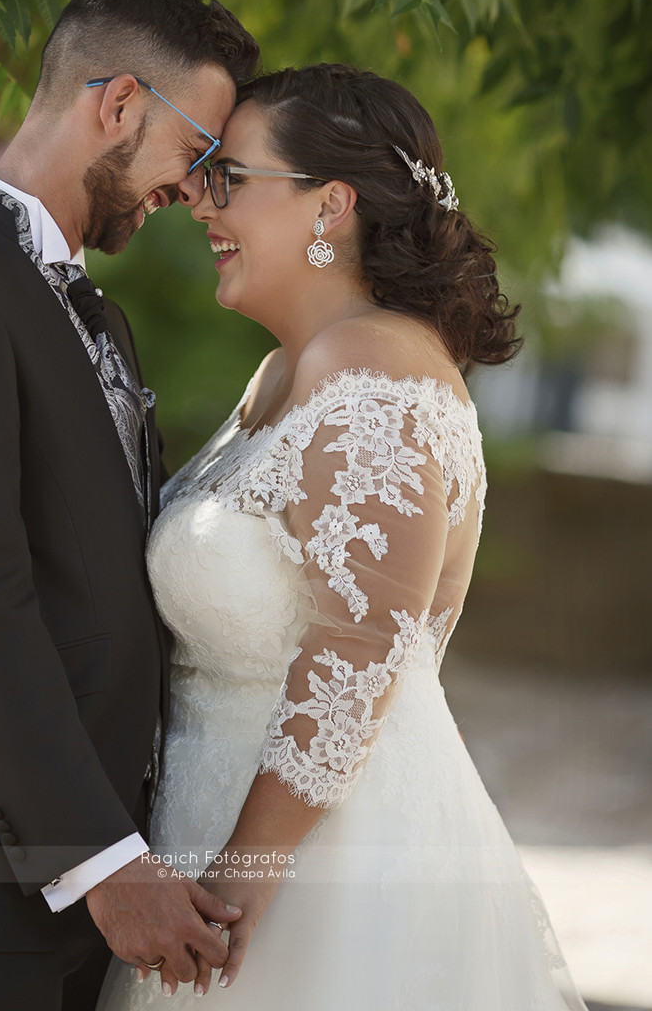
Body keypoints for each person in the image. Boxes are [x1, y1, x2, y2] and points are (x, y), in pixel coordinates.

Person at [98, 64, 589, 1009]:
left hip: (318, 878)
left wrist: (245, 875)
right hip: (217, 829)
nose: (200, 199)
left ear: (329, 205)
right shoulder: (288, 370)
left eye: (230, 176)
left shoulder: (367, 367)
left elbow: (361, 650)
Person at [0, 0, 261, 1011]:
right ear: (117, 104)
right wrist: (101, 863)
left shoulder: (94, 316)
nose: (197, 188)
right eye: (195, 152)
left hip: (91, 899)